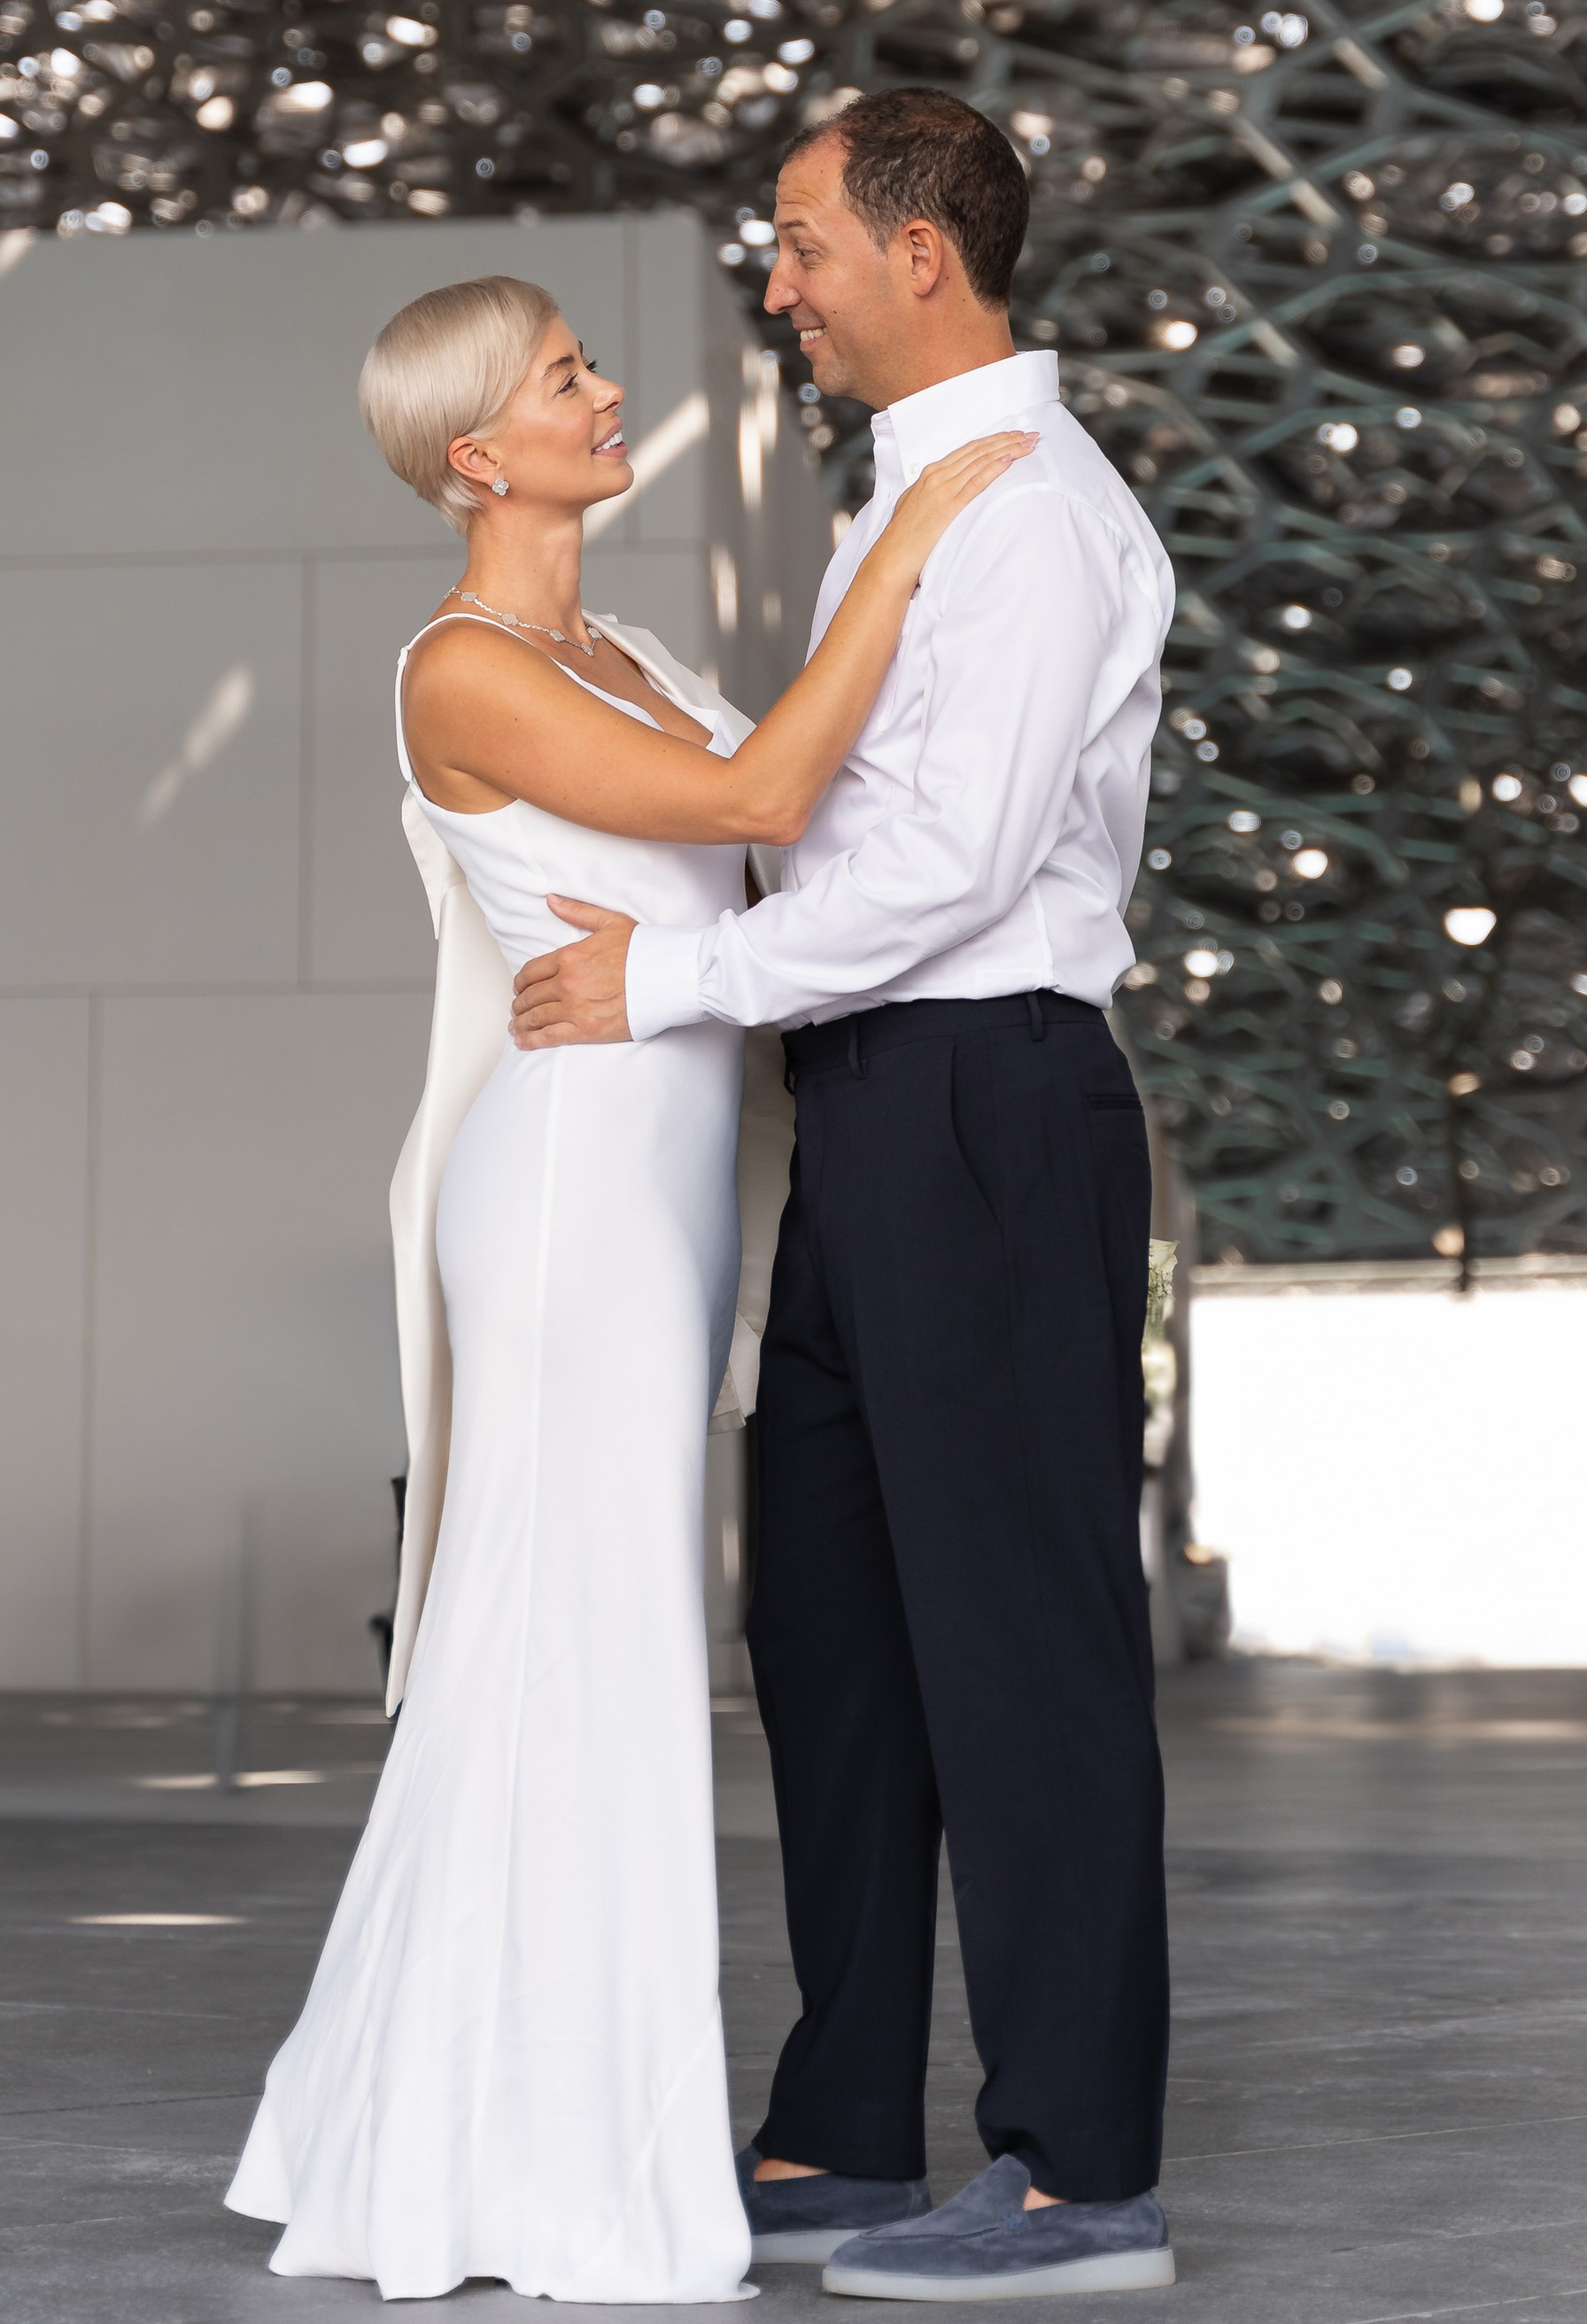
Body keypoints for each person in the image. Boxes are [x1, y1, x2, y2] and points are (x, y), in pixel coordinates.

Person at [225, 269, 1029, 2305]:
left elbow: (799, 851)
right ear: (474, 453)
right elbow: (760, 806)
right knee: (558, 1648)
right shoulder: (461, 668)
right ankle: (534, 2160)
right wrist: (913, 536)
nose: (606, 393)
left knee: (590, 1650)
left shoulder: (633, 655)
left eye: (588, 363)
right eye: (563, 378)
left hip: (663, 1203)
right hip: (569, 1193)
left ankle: (472, 2127)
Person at [511, 92, 1180, 2301]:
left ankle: (1078, 2175)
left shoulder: (1030, 512)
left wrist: (663, 982)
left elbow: (953, 869)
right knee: (833, 1628)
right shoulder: (910, 496)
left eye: (799, 240)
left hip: (986, 1093)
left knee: (1019, 1640)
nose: (773, 282)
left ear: (919, 252)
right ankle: (841, 2128)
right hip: (879, 1109)